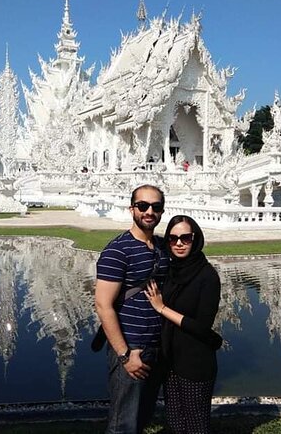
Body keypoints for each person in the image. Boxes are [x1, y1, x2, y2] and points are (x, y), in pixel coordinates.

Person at [95, 184, 170, 434]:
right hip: (132, 348)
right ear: (132, 209)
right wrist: (125, 355)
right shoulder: (117, 251)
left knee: (142, 419)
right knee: (122, 425)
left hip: (156, 347)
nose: (149, 211)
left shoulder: (161, 248)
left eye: (156, 207)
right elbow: (103, 305)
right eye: (143, 206)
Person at [145, 215, 221, 434]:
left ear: (195, 239)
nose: (179, 243)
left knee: (196, 426)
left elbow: (202, 327)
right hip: (170, 360)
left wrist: (162, 309)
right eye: (173, 238)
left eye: (185, 238)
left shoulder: (207, 276)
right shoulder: (171, 271)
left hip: (195, 362)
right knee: (176, 423)